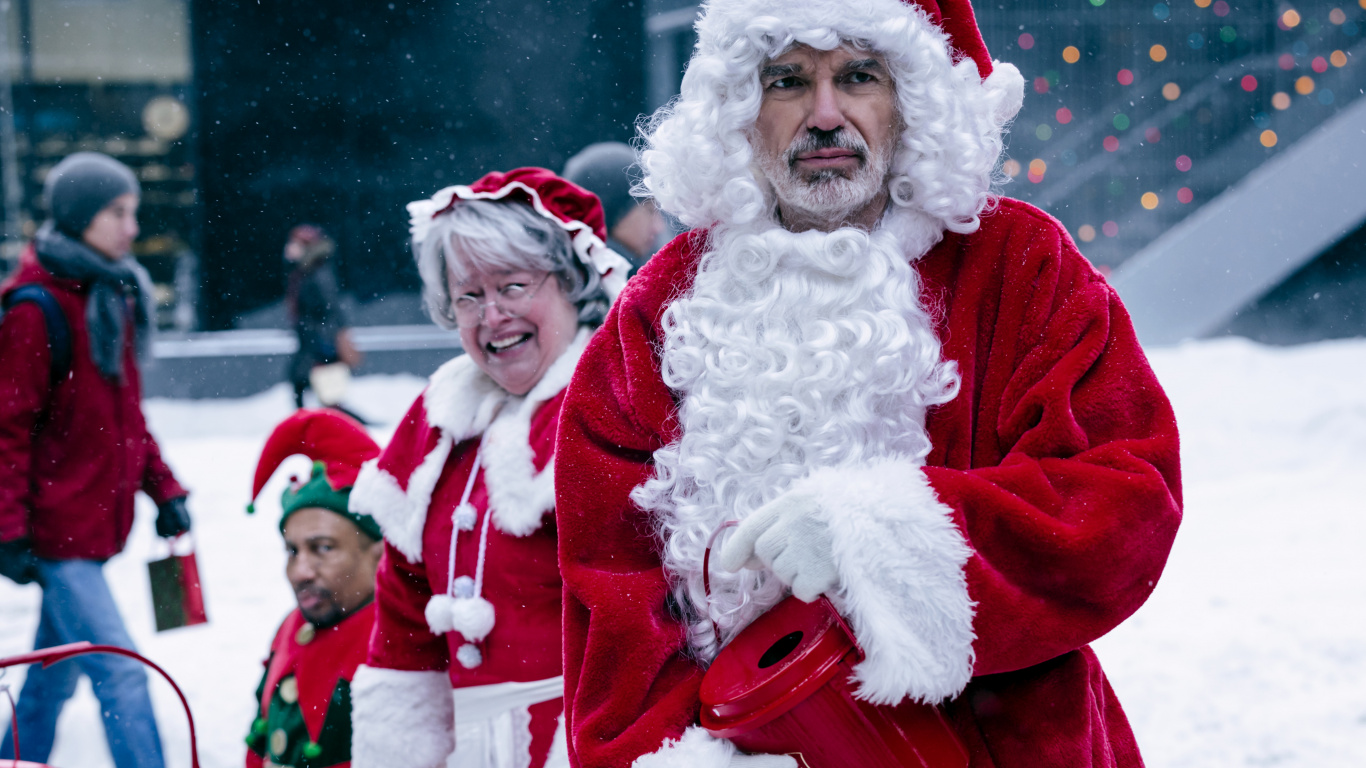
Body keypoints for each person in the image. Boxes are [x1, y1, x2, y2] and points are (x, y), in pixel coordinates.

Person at [553, 0, 1184, 766]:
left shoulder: (1020, 264)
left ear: (911, 101)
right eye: (787, 82)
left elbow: (1124, 501)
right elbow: (613, 601)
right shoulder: (657, 315)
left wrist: (880, 538)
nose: (825, 115)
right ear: (741, 111)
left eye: (859, 76)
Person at [346, 168, 630, 768]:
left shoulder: (613, 410)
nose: (491, 314)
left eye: (513, 285)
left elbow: (649, 625)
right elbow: (404, 631)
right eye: (468, 296)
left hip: (589, 746)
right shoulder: (438, 427)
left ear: (571, 283)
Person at [0, 151, 192, 767]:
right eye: (117, 212)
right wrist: (7, 533)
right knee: (121, 671)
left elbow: (124, 418)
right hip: (56, 536)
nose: (131, 227)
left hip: (93, 525)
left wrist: (164, 489)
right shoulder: (36, 309)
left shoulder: (110, 295)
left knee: (51, 678)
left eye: (132, 211)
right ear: (81, 217)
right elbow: (7, 430)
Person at [243, 408, 385, 768]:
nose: (300, 571)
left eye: (323, 548)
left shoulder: (397, 644)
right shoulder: (292, 627)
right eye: (292, 550)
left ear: (378, 553)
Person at [284, 224, 363, 411]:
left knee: (328, 396)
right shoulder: (306, 272)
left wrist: (323, 342)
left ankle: (310, 428)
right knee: (306, 386)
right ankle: (305, 427)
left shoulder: (317, 273)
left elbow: (328, 309)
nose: (288, 248)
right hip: (314, 341)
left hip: (321, 343)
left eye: (294, 243)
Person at [562, 142, 667, 270]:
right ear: (609, 212)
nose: (659, 227)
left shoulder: (569, 277)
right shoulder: (619, 283)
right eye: (650, 211)